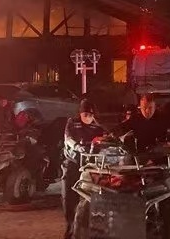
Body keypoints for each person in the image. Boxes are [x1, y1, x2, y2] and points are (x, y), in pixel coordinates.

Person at [62, 99, 105, 239]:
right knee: (69, 197)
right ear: (80, 113)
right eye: (85, 114)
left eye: (90, 115)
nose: (87, 117)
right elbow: (68, 138)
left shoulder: (97, 127)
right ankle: (70, 228)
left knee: (93, 196)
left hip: (90, 165)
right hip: (73, 162)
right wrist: (76, 146)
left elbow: (104, 141)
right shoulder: (72, 123)